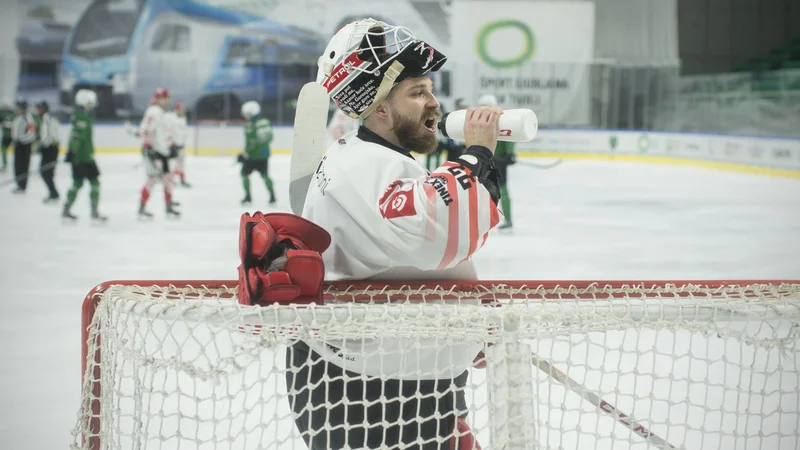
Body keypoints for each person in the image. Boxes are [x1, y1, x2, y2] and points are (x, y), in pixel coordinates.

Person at [291, 18, 504, 450]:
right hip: (373, 392)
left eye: (430, 90)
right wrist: (478, 155)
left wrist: (464, 330)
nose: (434, 104)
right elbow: (435, 233)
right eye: (417, 93)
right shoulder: (364, 164)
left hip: (401, 377)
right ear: (380, 110)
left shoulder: (370, 158)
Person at [63, 90, 107, 222]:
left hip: (84, 156)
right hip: (83, 157)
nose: (92, 105)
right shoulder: (82, 116)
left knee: (80, 183)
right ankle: (93, 212)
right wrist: (72, 151)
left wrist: (71, 152)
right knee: (91, 183)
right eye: (90, 102)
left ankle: (67, 209)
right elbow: (77, 136)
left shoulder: (82, 115)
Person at [138, 88, 180, 218]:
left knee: (167, 179)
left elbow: (163, 133)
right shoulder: (153, 112)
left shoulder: (161, 113)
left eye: (167, 98)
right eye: (164, 98)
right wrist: (148, 147)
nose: (167, 100)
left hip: (162, 152)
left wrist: (169, 146)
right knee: (152, 179)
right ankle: (142, 208)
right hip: (154, 152)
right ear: (158, 99)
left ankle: (168, 207)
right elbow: (144, 130)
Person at [478, 94, 515, 229]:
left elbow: (509, 136)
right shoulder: (480, 122)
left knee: (502, 189)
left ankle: (507, 218)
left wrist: (509, 153)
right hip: (484, 160)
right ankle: (484, 219)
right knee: (482, 191)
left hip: (498, 161)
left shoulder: (501, 121)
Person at [238, 100, 275, 205]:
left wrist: (245, 153)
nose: (246, 116)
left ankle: (248, 196)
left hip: (252, 156)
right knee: (265, 175)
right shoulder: (265, 121)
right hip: (264, 154)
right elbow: (270, 137)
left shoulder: (250, 124)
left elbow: (252, 142)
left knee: (244, 174)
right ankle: (273, 196)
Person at [35, 100, 61, 203]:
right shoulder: (43, 119)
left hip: (50, 149)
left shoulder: (48, 120)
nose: (37, 110)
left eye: (39, 108)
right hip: (49, 148)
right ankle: (53, 193)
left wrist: (43, 145)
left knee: (47, 173)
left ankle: (54, 194)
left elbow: (50, 136)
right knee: (45, 173)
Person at [10, 100, 36, 193]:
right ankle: (19, 184)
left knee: (23, 166)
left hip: (24, 145)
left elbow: (31, 133)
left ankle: (22, 186)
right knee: (17, 165)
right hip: (18, 144)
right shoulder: (18, 117)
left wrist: (22, 139)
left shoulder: (28, 118)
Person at [168, 101, 190, 187]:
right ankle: (171, 180)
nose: (182, 110)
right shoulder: (171, 118)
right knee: (173, 165)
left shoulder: (183, 118)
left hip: (182, 146)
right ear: (176, 109)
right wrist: (171, 144)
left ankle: (182, 180)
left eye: (182, 109)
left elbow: (183, 133)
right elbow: (169, 132)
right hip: (174, 146)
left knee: (182, 165)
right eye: (180, 109)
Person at [444, 98, 468, 163]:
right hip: (454, 149)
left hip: (464, 148)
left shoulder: (467, 118)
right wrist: (452, 145)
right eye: (461, 107)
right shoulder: (451, 118)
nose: (463, 108)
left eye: (465, 107)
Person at [1, 99, 15, 171]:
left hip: (14, 135)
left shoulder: (13, 112)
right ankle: (5, 164)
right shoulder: (1, 112)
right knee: (3, 149)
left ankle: (19, 164)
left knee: (18, 150)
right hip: (6, 135)